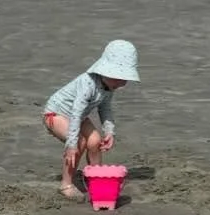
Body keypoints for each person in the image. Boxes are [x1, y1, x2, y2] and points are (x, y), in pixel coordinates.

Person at [43, 40, 139, 200]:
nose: (122, 83)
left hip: (77, 116)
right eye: (119, 77)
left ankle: (96, 177)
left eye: (125, 79)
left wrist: (110, 131)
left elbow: (105, 108)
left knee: (95, 141)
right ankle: (66, 184)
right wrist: (71, 144)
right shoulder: (87, 83)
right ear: (105, 71)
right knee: (78, 143)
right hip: (56, 113)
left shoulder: (109, 87)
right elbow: (76, 112)